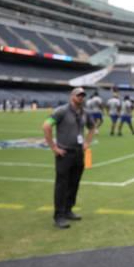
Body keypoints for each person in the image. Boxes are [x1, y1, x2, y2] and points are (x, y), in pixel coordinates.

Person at [42, 87, 95, 229]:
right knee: (62, 185)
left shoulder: (84, 113)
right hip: (64, 153)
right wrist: (54, 147)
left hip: (78, 153)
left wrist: (87, 142)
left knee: (74, 183)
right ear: (72, 96)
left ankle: (68, 209)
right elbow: (46, 126)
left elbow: (92, 127)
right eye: (78, 95)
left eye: (83, 96)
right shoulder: (61, 111)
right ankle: (58, 215)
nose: (81, 98)